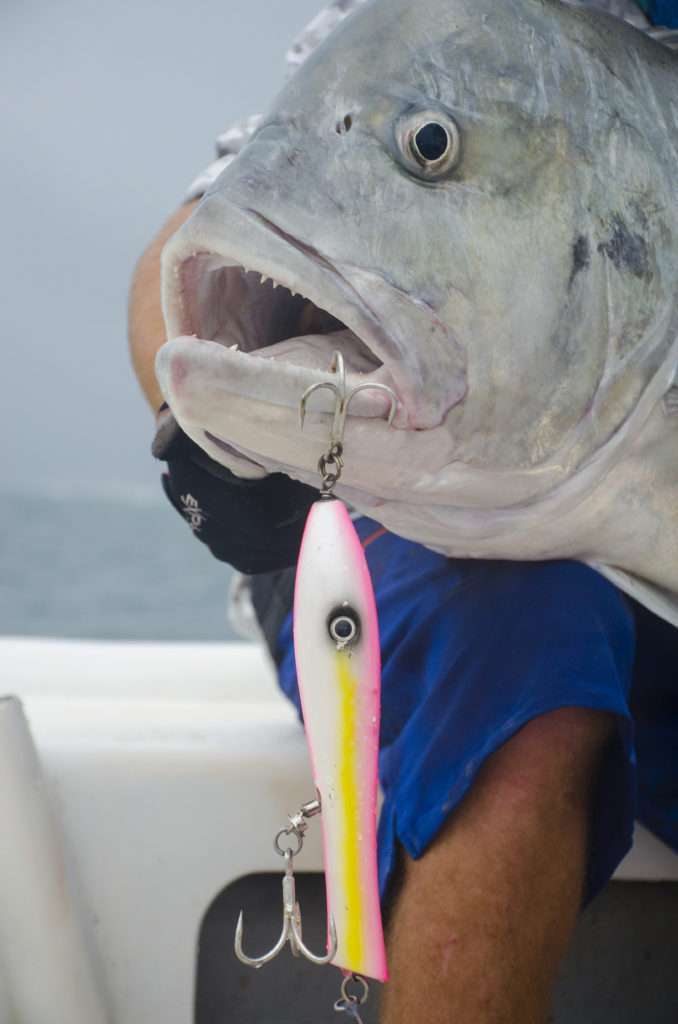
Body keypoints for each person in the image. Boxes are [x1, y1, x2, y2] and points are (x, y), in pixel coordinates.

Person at [128, 2, 678, 1020]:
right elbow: (201, 233)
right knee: (520, 655)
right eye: (433, 146)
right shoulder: (436, 22)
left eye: (433, 146)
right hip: (418, 489)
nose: (431, 145)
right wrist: (202, 451)